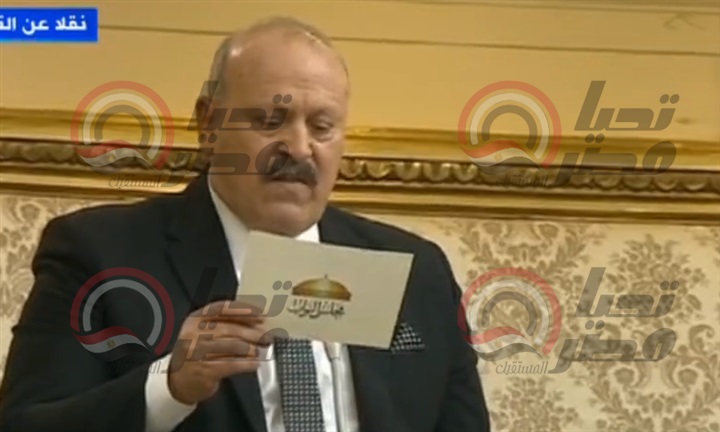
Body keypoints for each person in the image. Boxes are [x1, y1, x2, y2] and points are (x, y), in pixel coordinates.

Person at [0, 17, 491, 432]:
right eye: (270, 121)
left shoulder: (416, 273)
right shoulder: (99, 255)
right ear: (209, 125)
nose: (298, 148)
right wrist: (168, 387)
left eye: (322, 127)